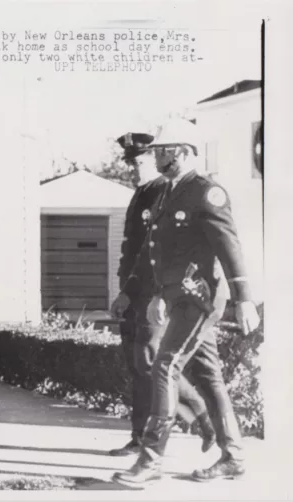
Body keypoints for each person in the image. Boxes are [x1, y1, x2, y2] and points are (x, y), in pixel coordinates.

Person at [111, 118, 261, 488]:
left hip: (201, 298)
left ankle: (151, 460)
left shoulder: (206, 192)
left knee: (164, 367)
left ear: (181, 152)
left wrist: (245, 300)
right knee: (209, 378)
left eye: (162, 150)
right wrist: (151, 292)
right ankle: (234, 457)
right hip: (179, 296)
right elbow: (155, 251)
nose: (156, 155)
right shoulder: (169, 191)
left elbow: (229, 246)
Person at [109, 132, 215, 457]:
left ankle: (200, 418)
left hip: (157, 295)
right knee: (138, 364)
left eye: (139, 161)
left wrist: (157, 294)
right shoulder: (144, 193)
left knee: (151, 362)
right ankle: (140, 434)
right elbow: (136, 251)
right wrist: (126, 290)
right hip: (136, 291)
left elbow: (163, 251)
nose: (133, 169)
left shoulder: (164, 192)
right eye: (130, 163)